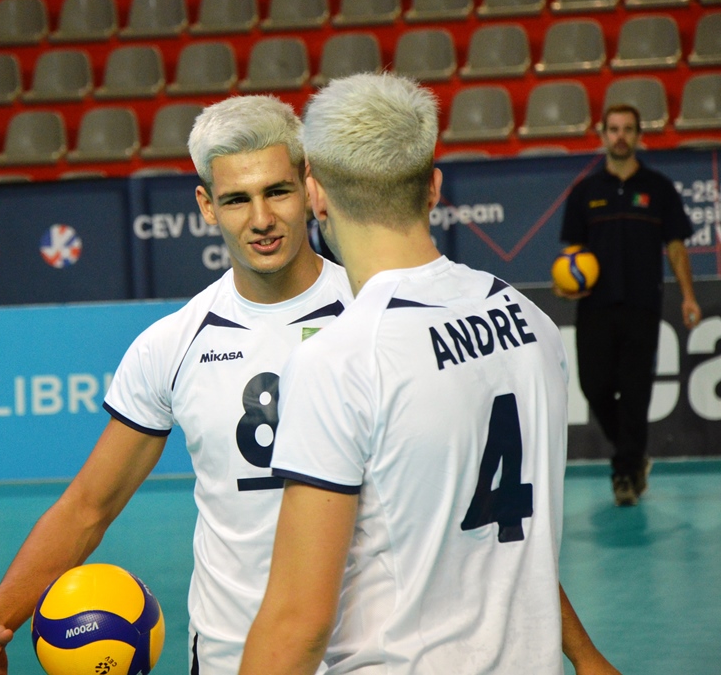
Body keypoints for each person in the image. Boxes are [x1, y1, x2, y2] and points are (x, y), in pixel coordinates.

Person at [239, 73, 620, 674]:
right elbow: (507, 542)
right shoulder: (531, 322)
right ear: (434, 187)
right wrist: (586, 654)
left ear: (315, 195)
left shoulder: (341, 360)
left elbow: (298, 623)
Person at [0, 95, 353, 675]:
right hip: (230, 655)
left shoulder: (372, 312)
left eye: (277, 191)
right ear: (206, 206)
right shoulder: (172, 344)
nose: (260, 219)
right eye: (236, 199)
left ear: (309, 187)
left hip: (363, 654)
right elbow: (89, 506)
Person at [558, 104, 701, 507]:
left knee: (636, 394)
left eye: (627, 129)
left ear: (639, 135)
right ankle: (635, 456)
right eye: (613, 129)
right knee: (594, 386)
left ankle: (624, 474)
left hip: (642, 306)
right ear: (602, 134)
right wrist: (563, 285)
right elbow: (572, 255)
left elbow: (676, 248)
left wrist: (689, 295)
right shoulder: (584, 192)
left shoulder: (659, 188)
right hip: (595, 308)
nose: (620, 136)